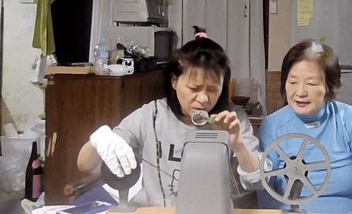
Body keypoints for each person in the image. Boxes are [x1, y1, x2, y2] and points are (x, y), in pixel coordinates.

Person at [76, 26, 261, 207]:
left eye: (213, 89)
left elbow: (257, 181)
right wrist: (99, 139)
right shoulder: (151, 116)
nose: (204, 99)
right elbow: (84, 165)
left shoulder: (233, 118)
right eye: (194, 88)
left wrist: (238, 145)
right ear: (174, 81)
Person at [257, 40, 352, 214]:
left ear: (329, 87)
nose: (300, 92)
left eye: (311, 84)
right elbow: (265, 188)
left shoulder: (350, 119)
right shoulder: (272, 126)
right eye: (293, 82)